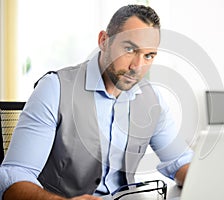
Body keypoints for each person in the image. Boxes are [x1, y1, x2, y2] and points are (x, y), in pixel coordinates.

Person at [0, 4, 193, 200]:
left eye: (148, 55)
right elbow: (12, 176)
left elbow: (179, 161)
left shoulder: (152, 100)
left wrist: (211, 180)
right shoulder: (54, 88)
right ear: (103, 41)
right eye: (129, 49)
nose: (137, 66)